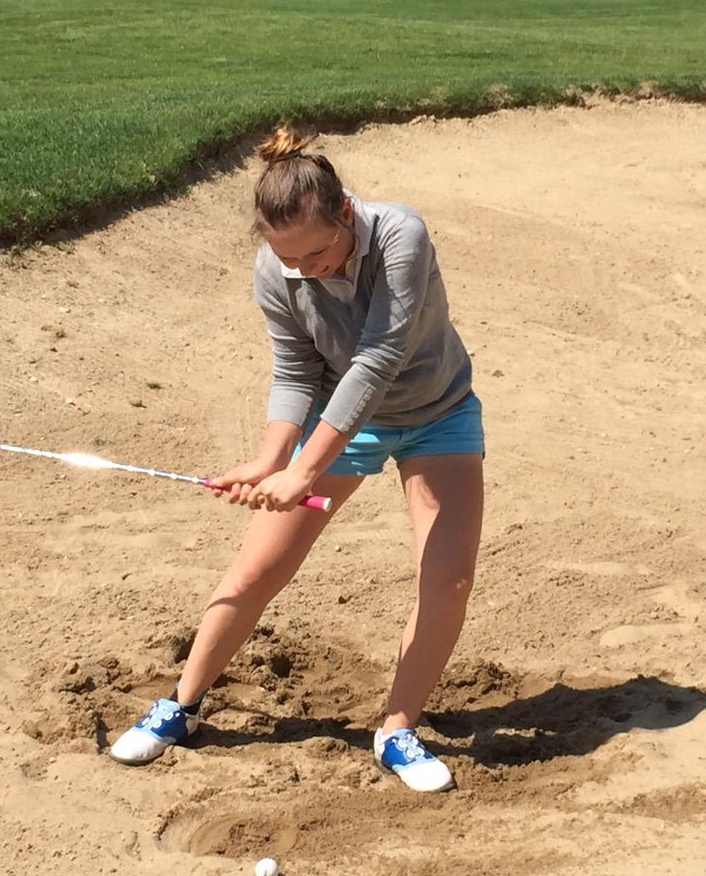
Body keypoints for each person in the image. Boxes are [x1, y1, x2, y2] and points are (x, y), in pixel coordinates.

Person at [109, 126, 485, 793]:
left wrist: (304, 471)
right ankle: (182, 706)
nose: (309, 270)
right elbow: (294, 368)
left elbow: (377, 360)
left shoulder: (401, 235)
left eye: (319, 254)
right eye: (293, 263)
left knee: (448, 579)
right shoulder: (277, 268)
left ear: (346, 213)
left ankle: (397, 730)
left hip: (438, 415)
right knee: (259, 565)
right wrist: (268, 460)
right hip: (343, 424)